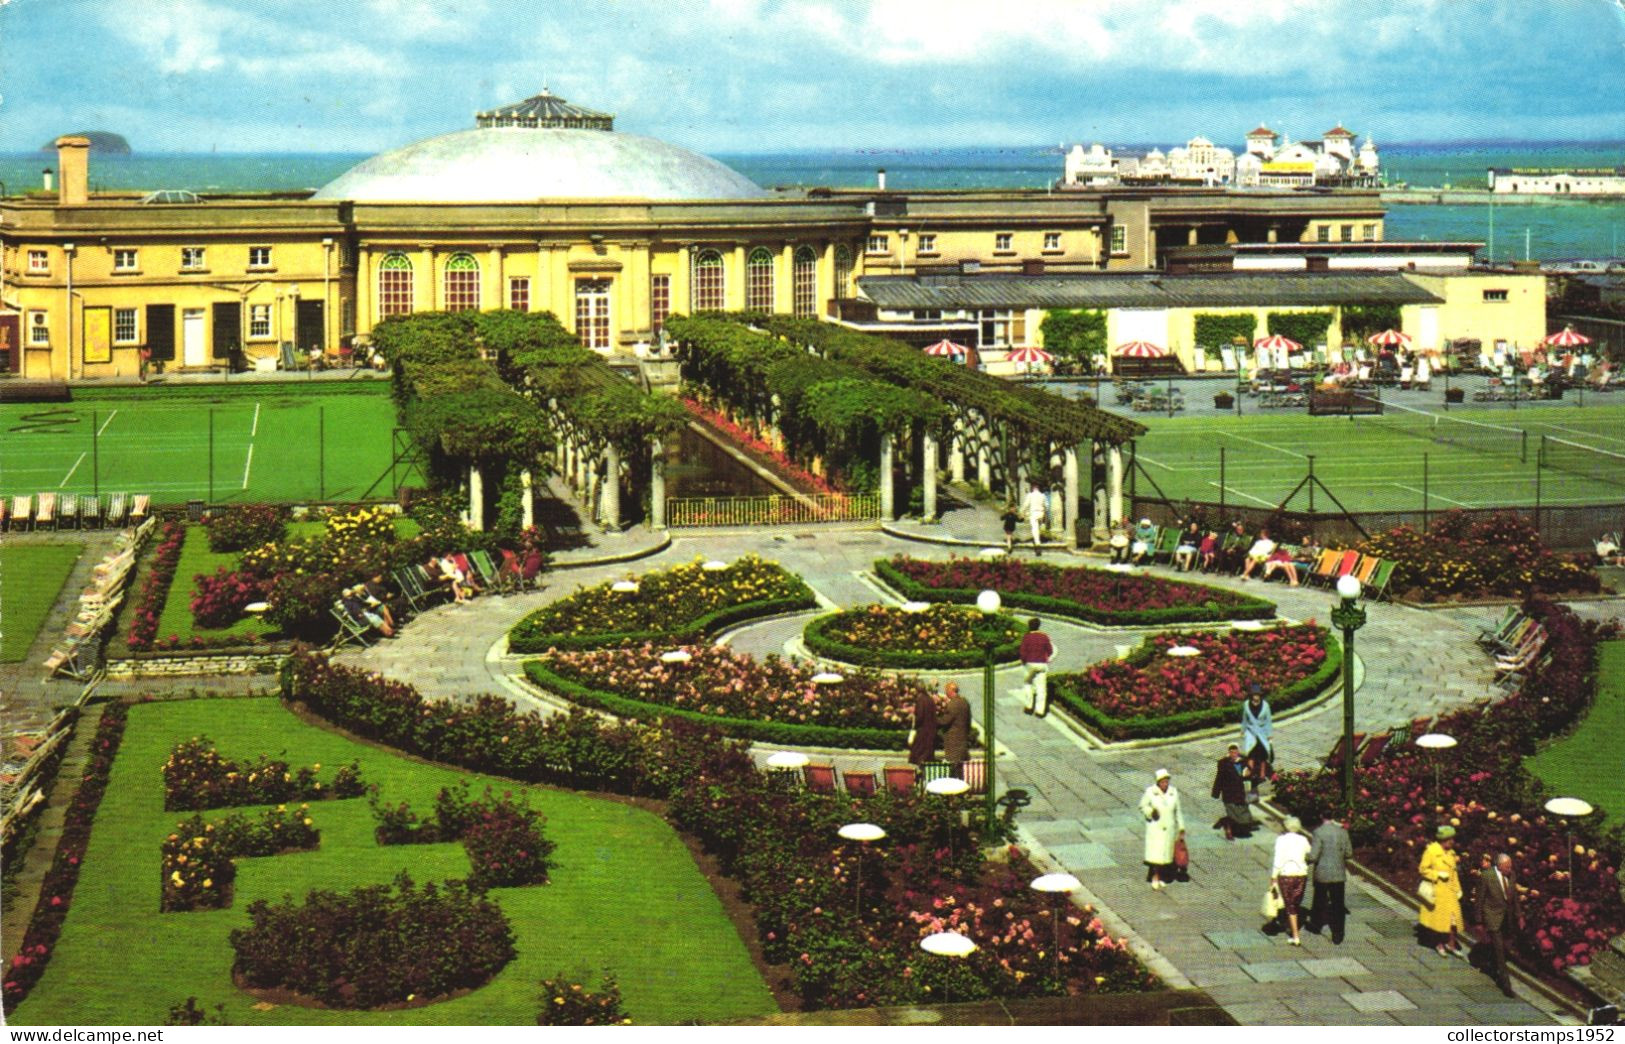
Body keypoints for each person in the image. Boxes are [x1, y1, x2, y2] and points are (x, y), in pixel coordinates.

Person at [1476, 851, 1523, 997]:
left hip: (1506, 917)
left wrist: (1519, 915)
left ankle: (1490, 962)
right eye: (1507, 867)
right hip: (1492, 917)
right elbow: (1479, 900)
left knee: (1502, 947)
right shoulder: (1487, 876)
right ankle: (1505, 984)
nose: (1510, 870)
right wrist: (1478, 921)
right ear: (1500, 866)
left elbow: (1514, 897)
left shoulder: (1511, 875)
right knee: (1500, 951)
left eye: (1510, 867)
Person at [1418, 824, 1465, 957]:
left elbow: (1454, 873)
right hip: (1437, 891)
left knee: (1453, 920)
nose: (1453, 842)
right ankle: (1439, 944)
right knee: (1439, 921)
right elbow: (1423, 870)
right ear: (1445, 840)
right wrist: (1437, 874)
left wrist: (1458, 889)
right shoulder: (1431, 851)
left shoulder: (1451, 853)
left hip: (1450, 892)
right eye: (1451, 839)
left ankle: (1451, 944)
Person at [1306, 814, 1354, 944]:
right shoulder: (1343, 832)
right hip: (1338, 873)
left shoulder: (1318, 832)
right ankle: (1338, 933)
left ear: (1321, 817)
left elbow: (1314, 856)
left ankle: (1316, 925)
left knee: (1319, 900)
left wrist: (1306, 857)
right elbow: (1349, 853)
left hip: (1322, 872)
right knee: (1338, 904)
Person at [1139, 768, 1184, 891]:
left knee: (1166, 856)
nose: (1165, 784)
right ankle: (1155, 876)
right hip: (1156, 829)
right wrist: (1150, 812)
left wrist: (1181, 827)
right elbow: (1142, 806)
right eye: (1163, 782)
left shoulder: (1173, 792)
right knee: (1156, 856)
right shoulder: (1150, 792)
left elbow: (1178, 811)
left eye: (1167, 781)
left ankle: (1162, 876)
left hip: (1169, 828)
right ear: (1158, 782)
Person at [1272, 816, 1313, 945]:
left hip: (1286, 874)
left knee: (1289, 904)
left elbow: (1278, 860)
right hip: (1301, 874)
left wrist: (1273, 877)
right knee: (1296, 901)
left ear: (1286, 826)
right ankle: (1290, 923)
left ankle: (1295, 935)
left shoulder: (1281, 840)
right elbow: (1309, 852)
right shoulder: (1303, 839)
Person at [1210, 744, 1257, 840]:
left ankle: (1229, 824)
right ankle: (1229, 830)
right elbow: (1219, 778)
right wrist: (1216, 792)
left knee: (1242, 813)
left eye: (1236, 751)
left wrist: (1249, 773)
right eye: (1232, 751)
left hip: (1241, 792)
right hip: (1229, 793)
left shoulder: (1243, 761)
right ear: (1229, 752)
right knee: (1231, 813)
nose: (1234, 753)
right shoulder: (1223, 763)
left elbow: (1251, 773)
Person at [1240, 684, 1273, 797]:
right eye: (1254, 694)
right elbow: (1244, 718)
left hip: (1262, 732)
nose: (1256, 697)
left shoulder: (1265, 706)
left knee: (1263, 754)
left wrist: (1269, 735)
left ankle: (1262, 774)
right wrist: (1243, 729)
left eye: (1258, 695)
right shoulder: (1246, 705)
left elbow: (1268, 720)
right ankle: (1250, 773)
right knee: (1251, 754)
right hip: (1251, 733)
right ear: (1251, 695)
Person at [1019, 618, 1054, 718]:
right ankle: (1040, 711)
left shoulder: (1027, 637)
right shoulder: (1044, 637)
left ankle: (1029, 707)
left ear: (1029, 626)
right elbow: (1050, 651)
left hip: (1030, 664)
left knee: (1028, 684)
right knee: (1041, 688)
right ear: (1039, 625)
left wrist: (1024, 662)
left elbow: (1022, 653)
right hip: (1042, 664)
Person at [937, 681, 971, 772]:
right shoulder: (964, 702)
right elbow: (968, 721)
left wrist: (934, 719)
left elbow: (945, 721)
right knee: (960, 766)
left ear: (950, 691)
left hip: (953, 740)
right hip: (962, 739)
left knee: (953, 766)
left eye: (946, 691)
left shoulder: (953, 704)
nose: (945, 693)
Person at [907, 688, 939, 766]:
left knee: (918, 754)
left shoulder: (921, 700)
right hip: (931, 731)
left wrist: (914, 725)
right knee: (928, 756)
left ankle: (920, 773)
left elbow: (920, 716)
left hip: (922, 732)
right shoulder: (930, 700)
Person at [1022, 484, 1049, 555]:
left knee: (1035, 529)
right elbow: (1047, 505)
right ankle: (1039, 539)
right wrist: (1044, 512)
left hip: (1034, 513)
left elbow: (1026, 504)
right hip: (1041, 513)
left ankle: (1037, 544)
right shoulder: (1043, 495)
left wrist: (1022, 511)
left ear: (1033, 488)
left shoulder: (1030, 495)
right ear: (1038, 488)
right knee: (1038, 528)